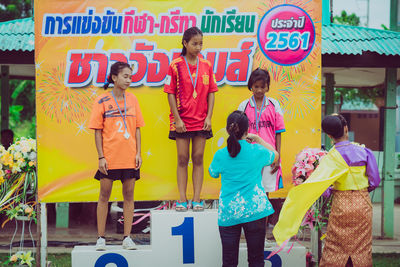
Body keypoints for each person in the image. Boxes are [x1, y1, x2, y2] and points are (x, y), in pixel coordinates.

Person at [272, 114, 381, 266]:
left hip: (341, 205)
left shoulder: (332, 157)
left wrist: (331, 191)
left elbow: (322, 187)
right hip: (362, 204)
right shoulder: (364, 152)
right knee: (362, 247)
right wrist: (361, 191)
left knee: (336, 247)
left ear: (329, 135)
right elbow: (375, 181)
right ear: (346, 129)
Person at [209, 110, 278, 267]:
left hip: (229, 213)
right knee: (256, 260)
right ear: (247, 131)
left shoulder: (220, 154)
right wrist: (258, 139)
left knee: (229, 262)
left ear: (228, 130)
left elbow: (212, 173)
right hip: (256, 211)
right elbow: (275, 155)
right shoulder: (256, 150)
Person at [89, 61, 145, 251]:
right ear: (114, 77)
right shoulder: (102, 100)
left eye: (130, 77)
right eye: (125, 76)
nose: (129, 80)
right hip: (110, 158)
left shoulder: (133, 100)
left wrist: (138, 153)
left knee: (129, 197)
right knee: (104, 196)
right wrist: (101, 157)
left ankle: (127, 237)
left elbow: (137, 129)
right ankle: (100, 238)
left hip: (129, 157)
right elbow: (97, 131)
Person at [164, 26, 218, 212]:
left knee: (198, 157)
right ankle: (181, 199)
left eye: (201, 43)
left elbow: (211, 92)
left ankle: (196, 199)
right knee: (182, 158)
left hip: (201, 120)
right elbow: (170, 93)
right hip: (182, 120)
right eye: (194, 43)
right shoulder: (175, 65)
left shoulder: (207, 65)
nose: (198, 47)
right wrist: (177, 119)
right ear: (185, 43)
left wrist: (209, 117)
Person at [238, 68, 285, 194]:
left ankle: (265, 214)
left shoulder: (274, 105)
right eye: (256, 86)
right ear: (251, 86)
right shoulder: (244, 106)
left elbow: (278, 133)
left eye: (262, 87)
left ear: (267, 87)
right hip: (249, 154)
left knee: (265, 190)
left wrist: (277, 156)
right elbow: (239, 132)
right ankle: (253, 214)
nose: (259, 90)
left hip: (268, 153)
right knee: (250, 188)